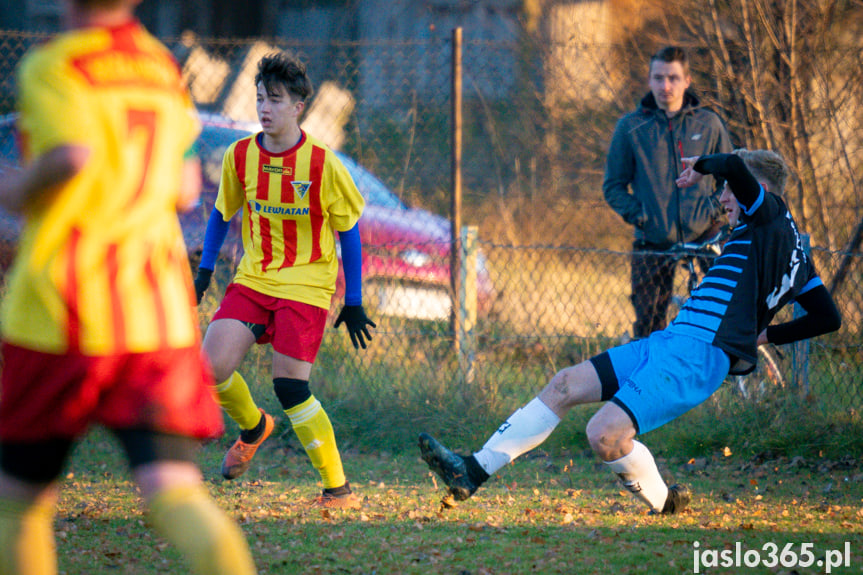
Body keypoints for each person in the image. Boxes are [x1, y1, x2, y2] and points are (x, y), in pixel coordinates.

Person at [419, 149, 841, 515]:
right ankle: (469, 472)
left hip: (698, 355)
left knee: (603, 436)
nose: (725, 196)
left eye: (731, 188)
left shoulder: (769, 214)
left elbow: (730, 162)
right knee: (564, 385)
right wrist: (763, 337)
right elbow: (828, 318)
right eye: (725, 188)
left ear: (761, 187)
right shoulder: (793, 252)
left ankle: (662, 501)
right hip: (674, 341)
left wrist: (701, 167)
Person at [0, 1, 257, 573]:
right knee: (175, 491)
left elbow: (71, 156)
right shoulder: (159, 67)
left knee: (19, 503)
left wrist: (15, 191)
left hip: (60, 309)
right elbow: (188, 187)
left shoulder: (54, 65)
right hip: (151, 316)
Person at [193, 52, 374, 510]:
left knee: (291, 387)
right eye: (259, 99)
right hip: (254, 280)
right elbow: (220, 214)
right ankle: (254, 428)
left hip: (306, 287)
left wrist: (352, 300)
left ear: (298, 106)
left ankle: (338, 489)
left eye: (275, 99)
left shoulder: (321, 164)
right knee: (208, 368)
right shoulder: (240, 156)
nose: (265, 108)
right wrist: (205, 270)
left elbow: (349, 232)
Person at [603, 46, 733, 339]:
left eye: (673, 78)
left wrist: (712, 210)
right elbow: (613, 186)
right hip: (653, 238)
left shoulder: (708, 124)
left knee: (725, 309)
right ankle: (651, 380)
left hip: (705, 233)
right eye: (658, 77)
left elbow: (732, 175)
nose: (665, 86)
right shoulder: (631, 127)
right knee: (648, 326)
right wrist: (642, 216)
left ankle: (727, 372)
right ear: (649, 80)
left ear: (687, 81)